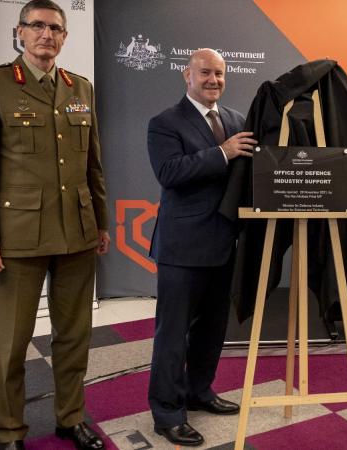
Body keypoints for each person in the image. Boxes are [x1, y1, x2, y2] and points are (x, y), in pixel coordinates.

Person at [0, 1, 110, 449]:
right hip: (18, 238)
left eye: (55, 28)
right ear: (20, 32)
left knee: (74, 337)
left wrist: (100, 223)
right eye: (37, 26)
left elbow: (93, 165)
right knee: (12, 344)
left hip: (77, 235)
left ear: (64, 37)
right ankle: (9, 431)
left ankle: (70, 418)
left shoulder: (80, 87)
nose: (47, 34)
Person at [146, 48, 256, 447]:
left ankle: (199, 391)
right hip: (182, 248)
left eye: (219, 74)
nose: (213, 80)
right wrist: (223, 153)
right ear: (187, 75)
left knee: (212, 330)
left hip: (225, 244)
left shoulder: (237, 121)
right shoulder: (165, 122)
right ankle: (167, 413)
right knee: (173, 334)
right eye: (205, 73)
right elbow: (170, 172)